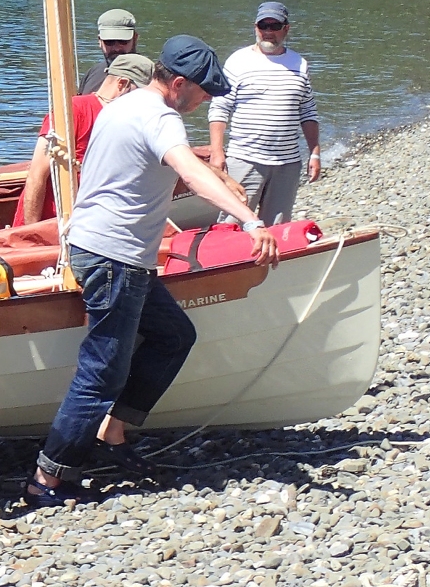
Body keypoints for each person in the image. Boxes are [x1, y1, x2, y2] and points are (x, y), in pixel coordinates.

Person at [21, 36, 281, 509]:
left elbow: (148, 171)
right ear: (177, 83)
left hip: (111, 252)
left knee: (173, 336)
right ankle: (47, 478)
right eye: (203, 92)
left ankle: (112, 433)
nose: (206, 101)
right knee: (101, 371)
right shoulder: (160, 116)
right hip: (112, 256)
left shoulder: (123, 104)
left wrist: (220, 177)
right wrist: (250, 221)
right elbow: (187, 168)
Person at [208, 1, 321, 226]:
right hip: (245, 159)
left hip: (287, 164)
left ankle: (267, 262)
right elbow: (220, 107)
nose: (268, 32)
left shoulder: (299, 64)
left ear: (286, 29)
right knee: (232, 224)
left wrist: (315, 153)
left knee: (277, 228)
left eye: (274, 26)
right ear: (255, 27)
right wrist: (217, 152)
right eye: (263, 26)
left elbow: (307, 111)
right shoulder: (238, 61)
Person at [14, 53, 154, 226]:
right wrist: (31, 231)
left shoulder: (129, 122)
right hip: (50, 227)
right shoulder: (73, 111)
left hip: (91, 229)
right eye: (142, 95)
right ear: (122, 84)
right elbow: (37, 174)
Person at [78, 9, 139, 95]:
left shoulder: (151, 79)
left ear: (135, 38)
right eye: (109, 41)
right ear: (99, 41)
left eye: (123, 41)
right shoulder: (92, 74)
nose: (117, 48)